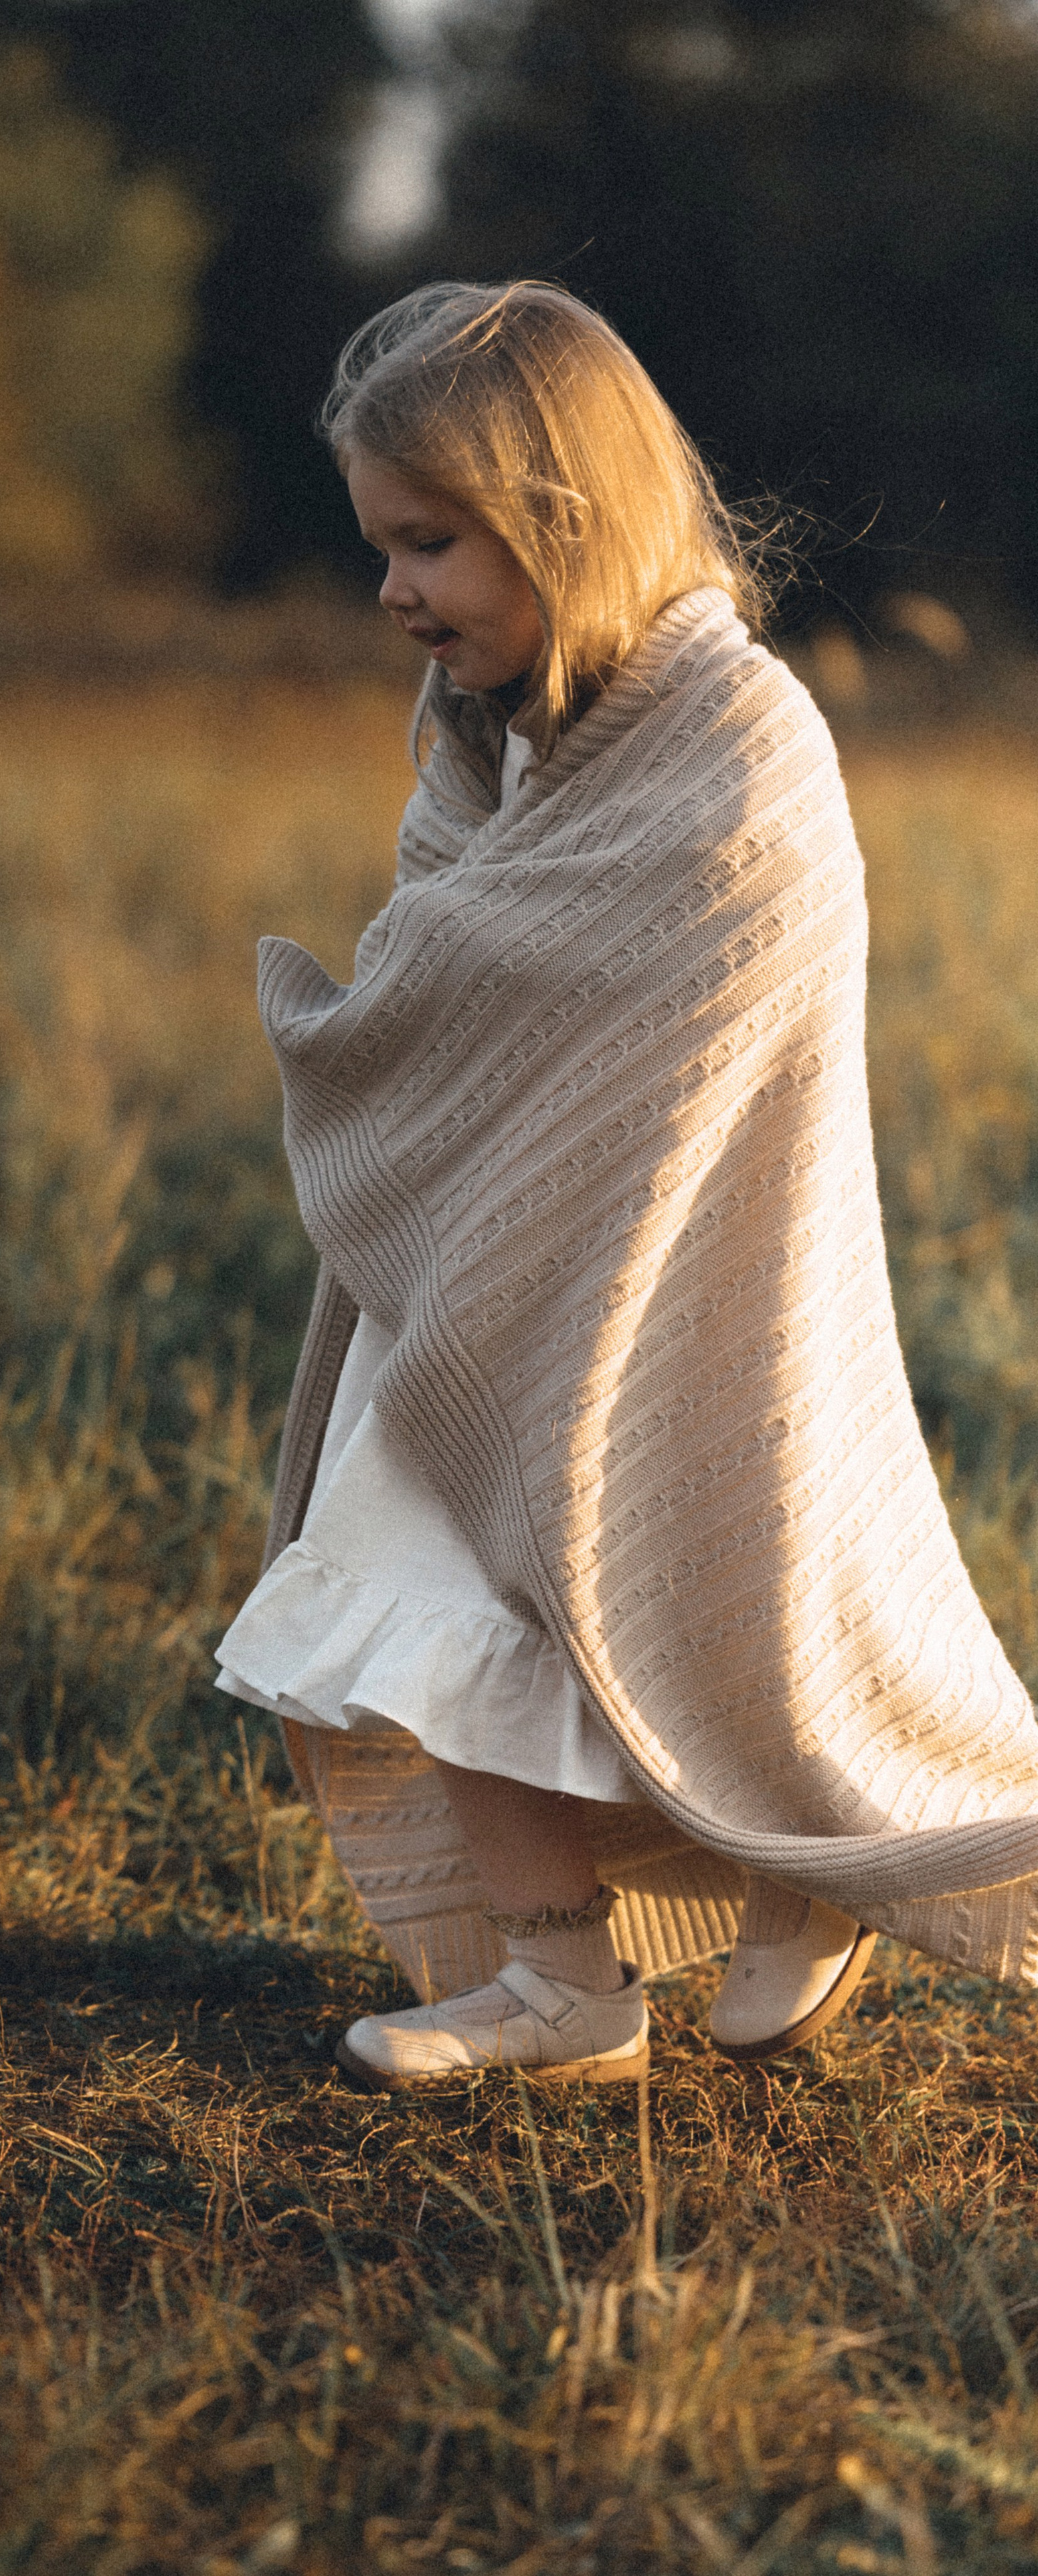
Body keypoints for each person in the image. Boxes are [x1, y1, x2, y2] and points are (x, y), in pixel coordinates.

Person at [215, 280, 1038, 2091]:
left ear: (562, 519)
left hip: (691, 1280)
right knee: (417, 1545)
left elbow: (684, 1019)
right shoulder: (489, 739)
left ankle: (817, 1870)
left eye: (431, 542)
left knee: (717, 1585)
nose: (393, 591)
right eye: (382, 547)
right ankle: (562, 1986)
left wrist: (450, 1014)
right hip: (500, 1277)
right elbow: (455, 975)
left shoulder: (742, 742)